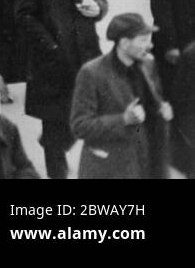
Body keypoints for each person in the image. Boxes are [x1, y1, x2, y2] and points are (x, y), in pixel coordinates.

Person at [15, 0, 109, 179]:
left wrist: (97, 9)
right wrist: (51, 46)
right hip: (52, 61)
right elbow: (23, 15)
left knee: (79, 118)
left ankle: (52, 144)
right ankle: (57, 170)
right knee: (55, 120)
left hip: (85, 57)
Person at [70, 13, 172, 180]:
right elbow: (80, 125)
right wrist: (123, 119)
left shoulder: (148, 64)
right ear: (124, 43)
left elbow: (154, 102)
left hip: (149, 160)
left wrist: (161, 109)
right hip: (114, 168)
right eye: (143, 40)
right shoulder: (92, 73)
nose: (150, 45)